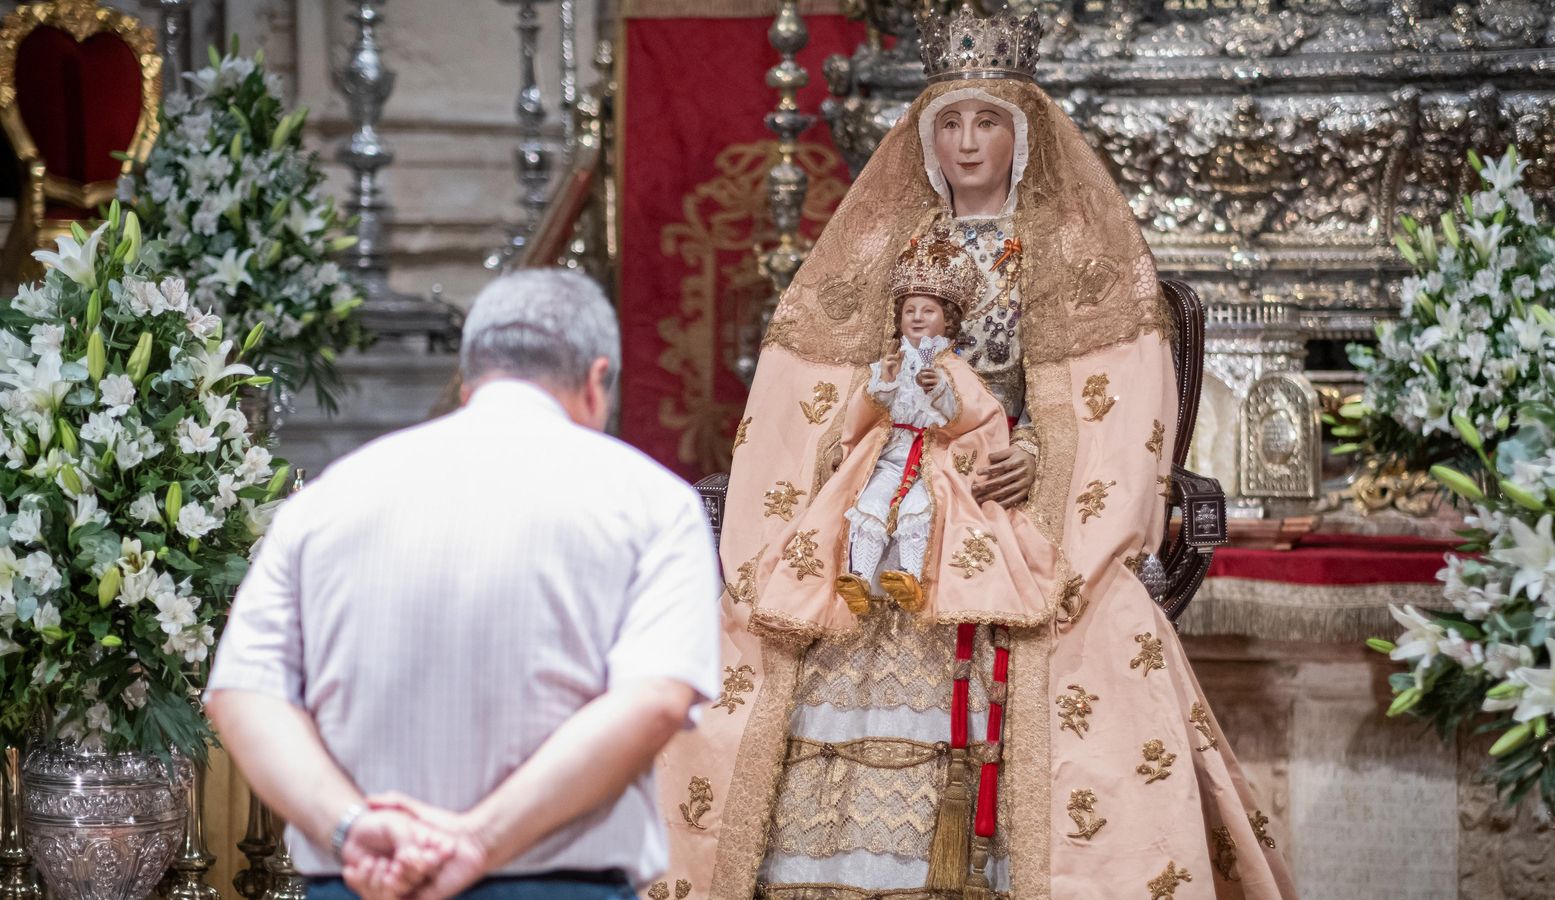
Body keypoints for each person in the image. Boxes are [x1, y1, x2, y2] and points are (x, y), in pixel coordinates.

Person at [652, 9, 1300, 900]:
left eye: (987, 121)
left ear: (1022, 133)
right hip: (885, 474)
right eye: (949, 123)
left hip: (1007, 488)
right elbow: (825, 385)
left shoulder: (1069, 250)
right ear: (925, 137)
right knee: (781, 615)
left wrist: (1035, 452)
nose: (966, 144)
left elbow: (1101, 398)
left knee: (1096, 622)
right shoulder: (885, 243)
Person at [206, 268, 723, 900]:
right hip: (556, 888)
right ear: (596, 380)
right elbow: (656, 699)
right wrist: (478, 839)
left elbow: (241, 692)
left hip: (367, 880)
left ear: (470, 375)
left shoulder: (329, 498)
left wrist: (351, 827)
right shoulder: (653, 503)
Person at [748, 230, 1058, 639]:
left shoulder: (953, 368)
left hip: (936, 460)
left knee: (918, 509)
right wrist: (884, 386)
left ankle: (909, 576)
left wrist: (942, 393)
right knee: (869, 506)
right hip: (891, 452)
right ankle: (857, 577)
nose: (916, 318)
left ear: (948, 320)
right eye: (909, 310)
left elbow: (978, 414)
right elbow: (865, 409)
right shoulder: (889, 364)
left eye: (927, 311)